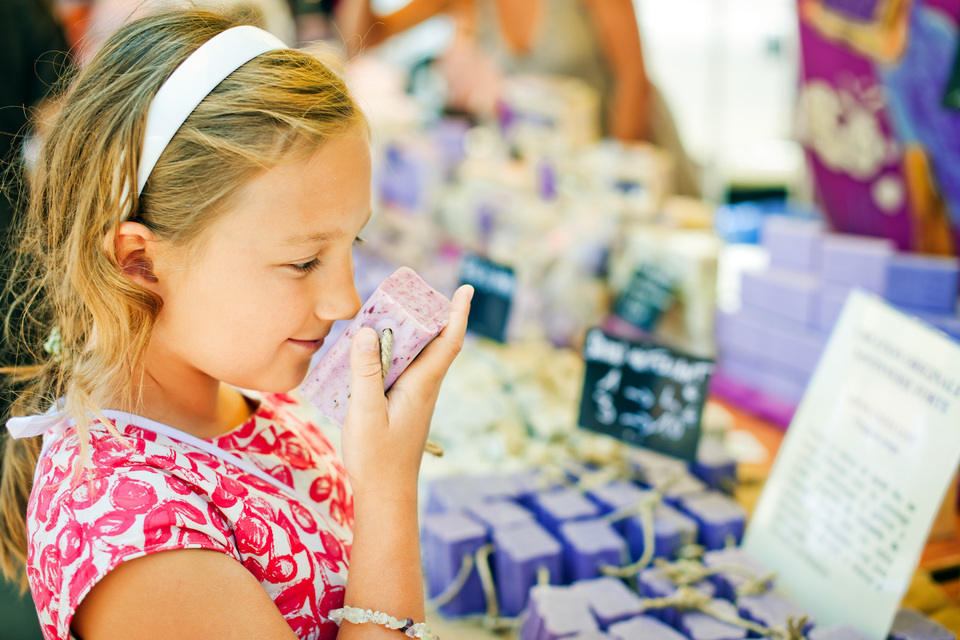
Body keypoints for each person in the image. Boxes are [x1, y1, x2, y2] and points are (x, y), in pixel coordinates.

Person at [0, 10, 471, 640]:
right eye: (304, 261)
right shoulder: (133, 531)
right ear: (140, 261)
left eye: (351, 242)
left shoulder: (234, 383)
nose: (344, 300)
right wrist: (387, 488)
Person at [337, 0, 701, 196]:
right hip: (558, 176)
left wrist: (614, 185)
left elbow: (634, 82)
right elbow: (365, 38)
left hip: (630, 159)